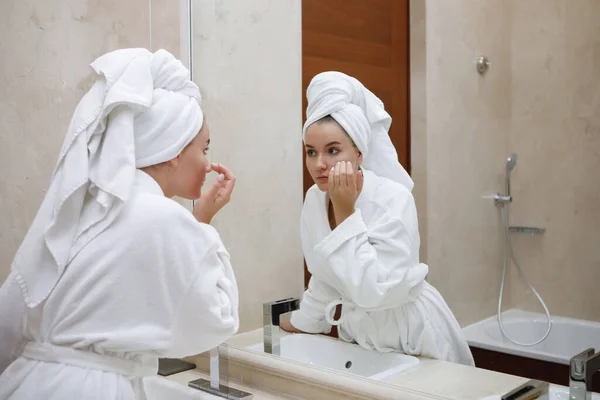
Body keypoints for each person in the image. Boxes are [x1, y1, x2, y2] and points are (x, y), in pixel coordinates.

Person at [0, 48, 239, 399]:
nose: (207, 164)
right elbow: (218, 318)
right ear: (173, 150)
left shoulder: (89, 207)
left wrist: (197, 221)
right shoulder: (161, 219)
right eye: (203, 148)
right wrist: (203, 226)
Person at [280, 71, 474, 366]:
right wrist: (304, 320)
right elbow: (325, 274)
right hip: (360, 339)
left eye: (332, 150)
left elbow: (376, 292)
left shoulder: (393, 199)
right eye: (310, 152)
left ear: (358, 152)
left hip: (413, 337)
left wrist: (346, 214)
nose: (319, 164)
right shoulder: (314, 201)